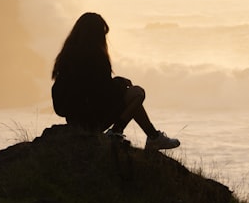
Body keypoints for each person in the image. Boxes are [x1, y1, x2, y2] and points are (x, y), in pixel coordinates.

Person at [51, 12, 180, 151]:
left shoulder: (66, 57)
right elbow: (103, 91)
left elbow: (62, 99)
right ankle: (118, 132)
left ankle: (153, 136)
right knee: (137, 93)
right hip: (92, 122)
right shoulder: (96, 57)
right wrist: (121, 82)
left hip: (75, 122)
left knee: (131, 98)